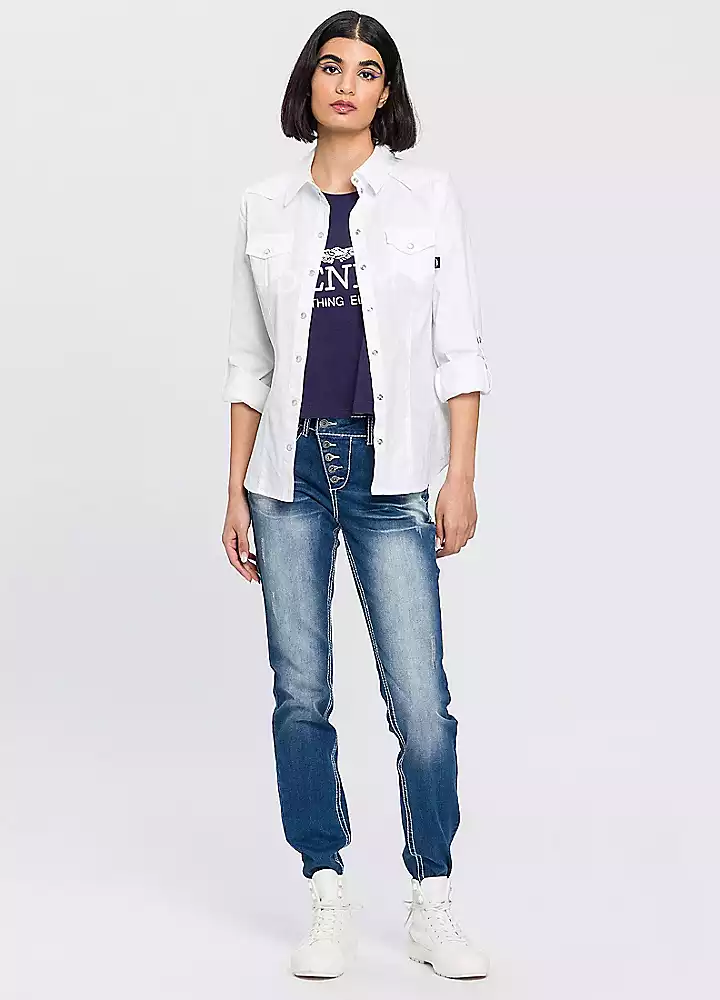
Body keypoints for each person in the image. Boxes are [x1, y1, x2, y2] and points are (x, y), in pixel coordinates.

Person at [221, 9, 492, 981]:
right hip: (285, 476)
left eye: (367, 70)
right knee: (300, 694)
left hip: (392, 470)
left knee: (422, 702)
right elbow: (249, 363)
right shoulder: (264, 207)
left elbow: (459, 349)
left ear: (387, 92)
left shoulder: (426, 198)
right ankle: (326, 887)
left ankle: (432, 896)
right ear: (310, 82)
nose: (347, 82)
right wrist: (234, 490)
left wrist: (461, 475)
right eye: (331, 65)